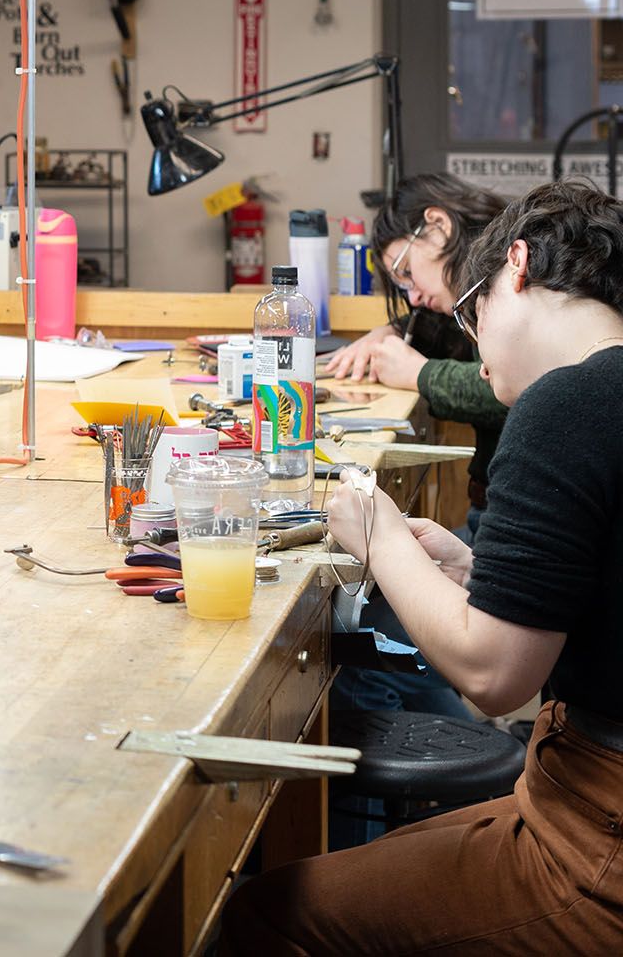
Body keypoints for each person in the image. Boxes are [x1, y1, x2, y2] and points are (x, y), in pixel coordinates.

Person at [220, 180, 623, 955]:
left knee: (269, 913)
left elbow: (493, 670)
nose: (470, 341)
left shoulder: (566, 403)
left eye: (474, 311)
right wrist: (478, 571)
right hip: (577, 790)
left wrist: (380, 538)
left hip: (595, 839)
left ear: (518, 264)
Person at [326, 174, 509, 538]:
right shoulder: (477, 292)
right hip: (493, 509)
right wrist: (391, 331)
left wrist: (419, 374)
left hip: (509, 520)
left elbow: (509, 388)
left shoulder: (506, 284)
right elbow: (435, 328)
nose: (412, 296)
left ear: (438, 226)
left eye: (407, 272)